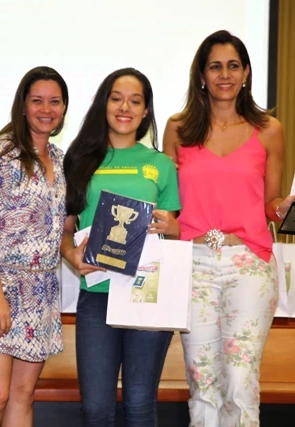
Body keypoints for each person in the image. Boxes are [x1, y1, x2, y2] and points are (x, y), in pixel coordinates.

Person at [162, 30, 295, 426]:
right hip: (193, 262)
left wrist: (283, 208)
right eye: (215, 66)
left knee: (241, 380)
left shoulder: (269, 129)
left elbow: (271, 202)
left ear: (246, 73)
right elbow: (166, 201)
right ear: (201, 76)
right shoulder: (178, 128)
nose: (224, 74)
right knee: (202, 378)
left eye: (233, 66)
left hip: (249, 261)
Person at [62, 67, 181, 427]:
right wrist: (70, 254)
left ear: (146, 111)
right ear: (104, 104)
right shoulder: (79, 159)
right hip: (97, 295)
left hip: (146, 293)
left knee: (139, 405)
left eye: (135, 101)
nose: (125, 107)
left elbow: (173, 231)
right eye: (116, 99)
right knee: (96, 409)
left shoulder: (161, 165)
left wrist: (173, 227)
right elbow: (65, 229)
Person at [0, 65, 69, 427]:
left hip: (40, 293)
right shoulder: (0, 153)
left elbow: (62, 224)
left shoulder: (61, 160)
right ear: (23, 105)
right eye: (37, 101)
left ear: (64, 108)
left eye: (55, 101)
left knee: (23, 395)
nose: (46, 109)